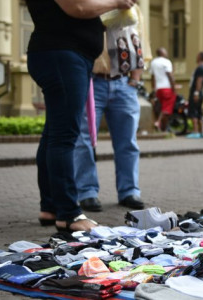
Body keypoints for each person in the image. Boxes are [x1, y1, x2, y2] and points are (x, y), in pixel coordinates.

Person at [27, 0, 136, 232]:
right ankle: (68, 214)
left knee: (54, 133)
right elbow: (76, 7)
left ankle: (50, 207)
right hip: (62, 55)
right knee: (65, 136)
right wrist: (116, 3)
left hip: (65, 55)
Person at [73, 3, 148, 213]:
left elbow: (142, 42)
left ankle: (129, 191)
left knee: (128, 142)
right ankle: (87, 192)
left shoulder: (131, 9)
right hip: (91, 81)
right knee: (84, 138)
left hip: (123, 82)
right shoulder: (93, 5)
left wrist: (134, 80)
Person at [151, 48, 177, 132]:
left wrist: (154, 89)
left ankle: (163, 128)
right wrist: (174, 87)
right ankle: (158, 122)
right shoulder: (166, 62)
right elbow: (169, 75)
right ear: (162, 53)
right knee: (166, 109)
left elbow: (153, 77)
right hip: (167, 88)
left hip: (158, 89)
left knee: (161, 107)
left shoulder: (153, 62)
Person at [187, 52, 203, 139]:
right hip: (200, 92)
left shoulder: (200, 68)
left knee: (193, 111)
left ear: (200, 57)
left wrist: (196, 93)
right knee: (199, 112)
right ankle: (201, 131)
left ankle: (195, 131)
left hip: (196, 92)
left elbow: (199, 80)